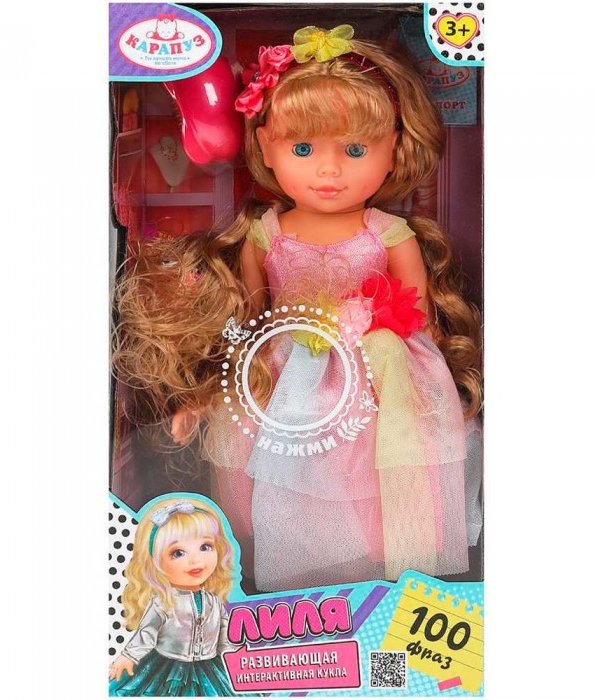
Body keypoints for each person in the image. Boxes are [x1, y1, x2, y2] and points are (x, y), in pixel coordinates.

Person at [114, 25, 483, 592]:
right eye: (303, 149)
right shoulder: (265, 234)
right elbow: (246, 327)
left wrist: (435, 397)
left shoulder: (389, 234)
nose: (329, 171)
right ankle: (289, 590)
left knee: (376, 486)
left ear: (394, 148)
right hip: (281, 375)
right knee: (280, 478)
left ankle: (374, 587)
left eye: (355, 150)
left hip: (375, 375)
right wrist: (203, 396)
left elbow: (421, 322)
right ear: (265, 146)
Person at [109, 498, 238, 696]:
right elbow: (146, 633)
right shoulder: (163, 602)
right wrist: (128, 656)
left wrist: (232, 656)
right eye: (178, 553)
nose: (196, 560)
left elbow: (224, 633)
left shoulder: (214, 601)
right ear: (155, 562)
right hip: (167, 668)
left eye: (205, 547)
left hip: (210, 668)